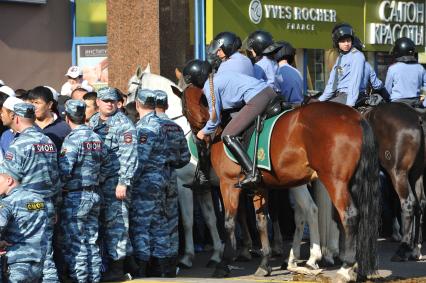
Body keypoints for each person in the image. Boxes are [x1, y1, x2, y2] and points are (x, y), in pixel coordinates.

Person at [183, 59, 277, 189]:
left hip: (257, 98)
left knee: (227, 135)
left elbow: (214, 121)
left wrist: (203, 132)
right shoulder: (218, 77)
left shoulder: (210, 87)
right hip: (269, 92)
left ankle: (251, 172)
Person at [1, 100, 60, 282]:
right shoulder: (47, 141)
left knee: (23, 255)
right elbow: (56, 177)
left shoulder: (19, 145)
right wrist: (55, 205)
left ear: (16, 118)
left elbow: (7, 180)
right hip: (47, 204)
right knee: (46, 255)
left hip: (24, 208)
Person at [59, 100, 112, 283]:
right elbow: (108, 164)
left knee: (77, 242)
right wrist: (98, 179)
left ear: (67, 117)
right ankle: (94, 277)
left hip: (76, 196)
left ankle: (80, 279)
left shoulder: (72, 139)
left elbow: (64, 170)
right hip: (94, 193)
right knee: (91, 240)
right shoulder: (96, 137)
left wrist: (62, 186)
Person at [89, 87, 138, 282]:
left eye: (113, 100)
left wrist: (123, 183)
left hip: (116, 182)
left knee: (117, 224)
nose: (110, 103)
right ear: (98, 102)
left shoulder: (124, 124)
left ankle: (118, 269)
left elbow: (130, 156)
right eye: (106, 100)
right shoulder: (93, 121)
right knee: (106, 224)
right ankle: (129, 264)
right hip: (99, 182)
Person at [154, 89, 190, 276]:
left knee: (153, 221)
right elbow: (185, 157)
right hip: (170, 176)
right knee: (171, 220)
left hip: (150, 180)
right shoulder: (175, 127)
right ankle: (171, 260)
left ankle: (155, 262)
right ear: (166, 105)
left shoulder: (146, 126)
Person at [0, 168, 48, 283]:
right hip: (38, 261)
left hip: (16, 263)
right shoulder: (39, 200)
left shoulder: (7, 202)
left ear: (9, 180)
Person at [318, 23, 365, 106]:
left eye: (348, 41)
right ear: (337, 43)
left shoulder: (357, 56)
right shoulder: (340, 58)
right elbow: (332, 84)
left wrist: (349, 105)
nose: (346, 44)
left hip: (351, 96)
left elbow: (355, 82)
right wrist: (319, 101)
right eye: (343, 41)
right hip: (340, 95)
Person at [384, 37, 426, 106]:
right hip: (415, 103)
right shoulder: (420, 68)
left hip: (397, 103)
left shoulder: (393, 68)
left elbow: (387, 91)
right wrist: (424, 102)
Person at [352, 37, 390, 103]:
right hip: (359, 98)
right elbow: (377, 85)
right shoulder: (366, 65)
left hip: (342, 97)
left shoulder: (342, 63)